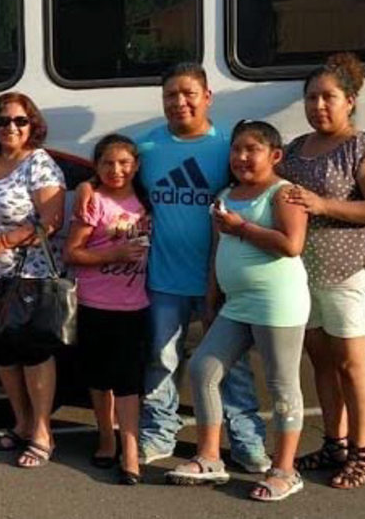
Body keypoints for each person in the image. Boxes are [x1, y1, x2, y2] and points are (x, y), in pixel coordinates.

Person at [77, 63, 269, 470]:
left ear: (207, 97)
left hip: (219, 277)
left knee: (230, 366)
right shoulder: (146, 149)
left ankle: (248, 440)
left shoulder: (228, 147)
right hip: (163, 279)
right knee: (162, 361)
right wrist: (86, 185)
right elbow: (113, 175)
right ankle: (159, 433)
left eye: (188, 94)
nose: (179, 102)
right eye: (170, 95)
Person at [167, 121, 309, 502]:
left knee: (281, 386)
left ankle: (284, 470)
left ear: (275, 156)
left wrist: (240, 226)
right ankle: (210, 457)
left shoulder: (285, 194)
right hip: (236, 304)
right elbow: (217, 250)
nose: (242, 157)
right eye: (236, 150)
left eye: (252, 149)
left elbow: (291, 244)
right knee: (203, 370)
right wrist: (212, 299)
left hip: (277, 303)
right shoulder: (226, 194)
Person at [280, 53, 365, 489]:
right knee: (321, 363)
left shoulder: (364, 147)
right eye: (312, 98)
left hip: (348, 274)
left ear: (350, 100)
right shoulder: (296, 148)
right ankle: (334, 443)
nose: (319, 106)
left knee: (351, 363)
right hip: (304, 275)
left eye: (328, 97)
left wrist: (324, 205)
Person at [0, 92, 65, 468]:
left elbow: (51, 221)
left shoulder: (39, 164)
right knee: (4, 355)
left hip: (28, 276)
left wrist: (4, 241)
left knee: (34, 354)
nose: (11, 128)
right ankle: (21, 424)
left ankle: (42, 432)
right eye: (3, 121)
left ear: (31, 125)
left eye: (20, 121)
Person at [62, 134, 150, 485]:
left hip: (136, 306)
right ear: (96, 167)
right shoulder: (93, 202)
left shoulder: (145, 199)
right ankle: (105, 437)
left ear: (137, 166)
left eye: (124, 163)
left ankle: (129, 451)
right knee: (99, 380)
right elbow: (72, 252)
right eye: (108, 163)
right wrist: (113, 255)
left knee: (129, 383)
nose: (117, 170)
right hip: (95, 303)